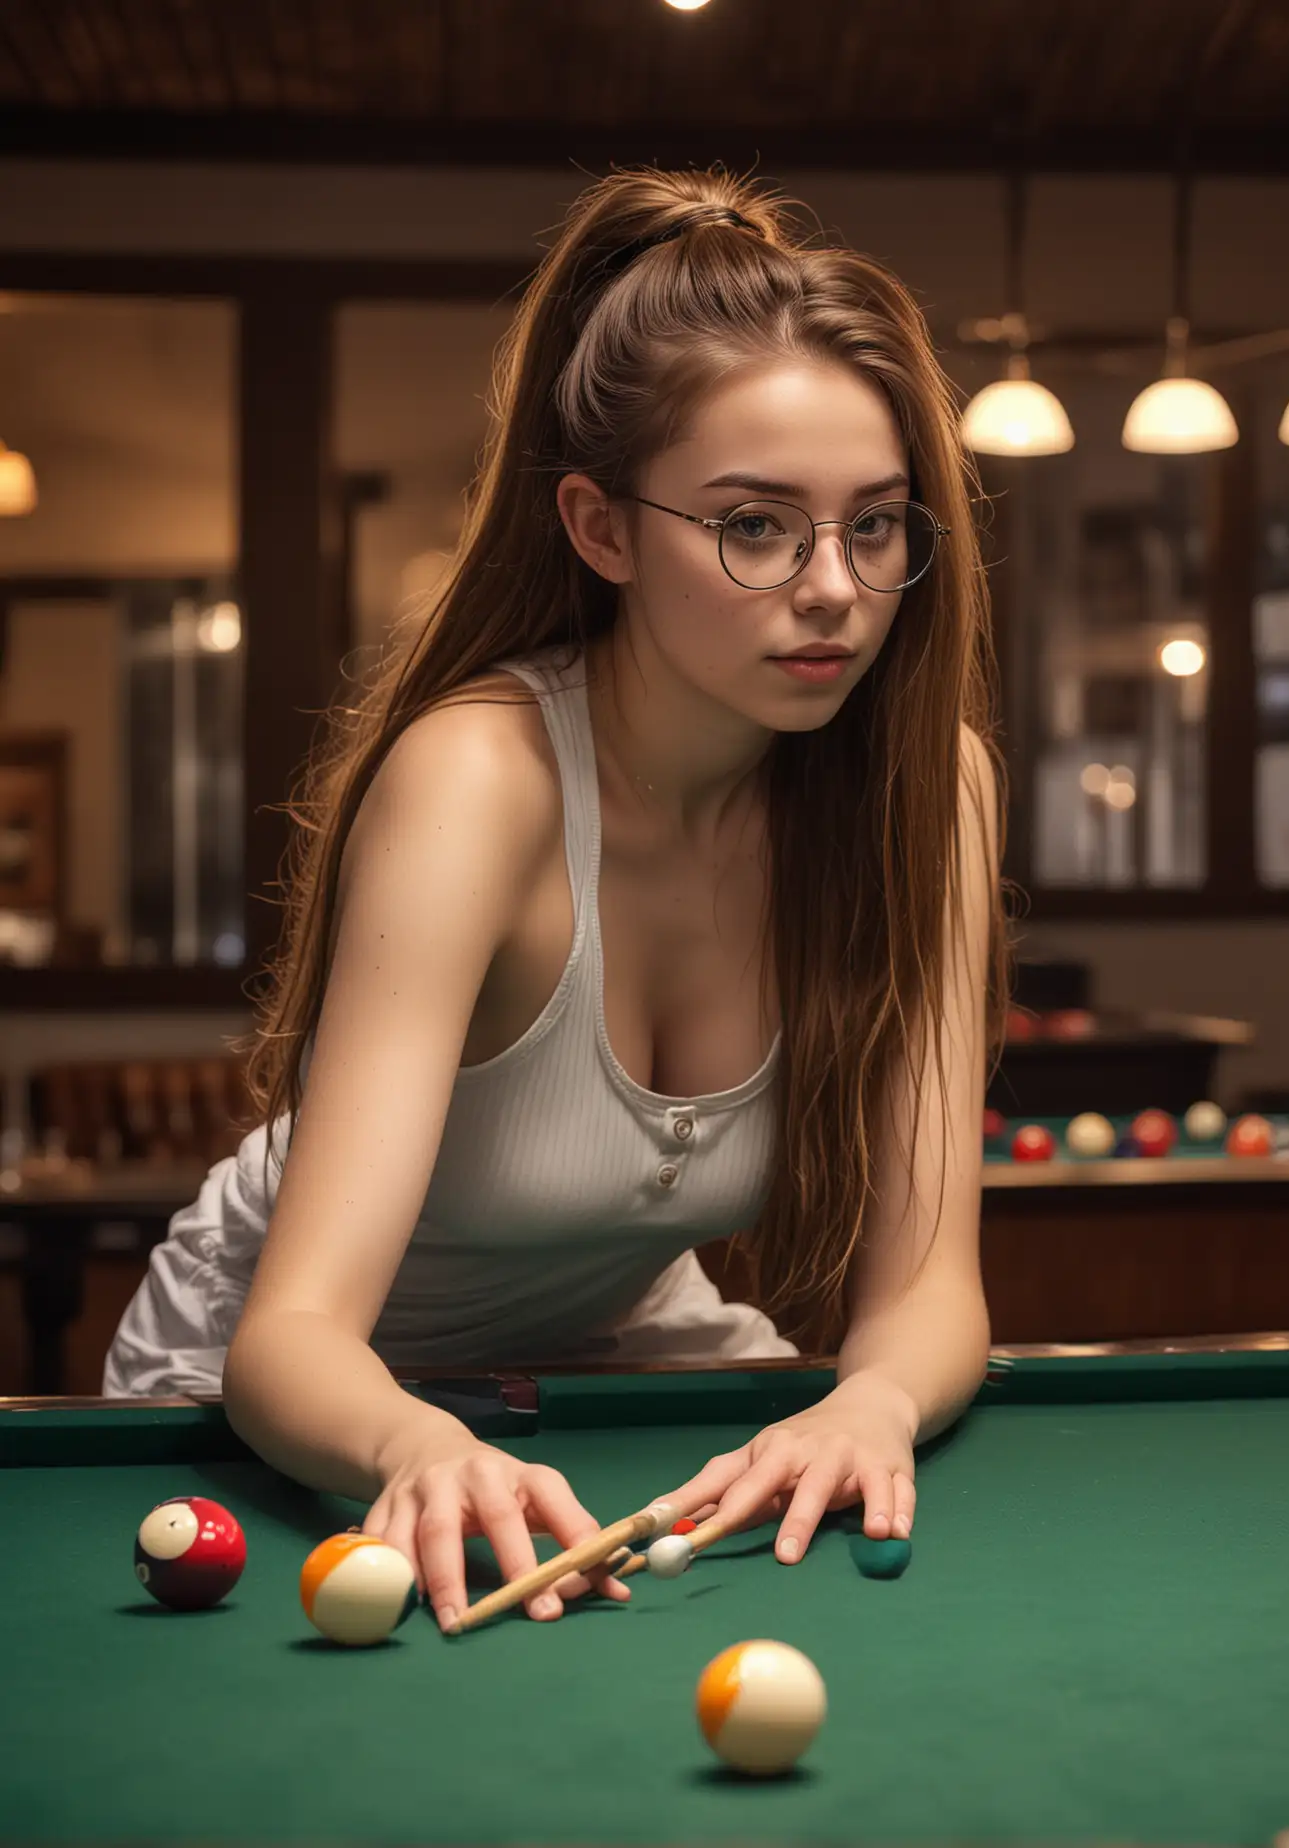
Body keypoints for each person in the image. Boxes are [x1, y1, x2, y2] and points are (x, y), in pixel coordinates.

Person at [104, 165, 1009, 1632]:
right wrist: (416, 1442)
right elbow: (297, 1332)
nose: (836, 588)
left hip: (614, 1337)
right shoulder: (478, 781)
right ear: (601, 531)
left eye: (878, 524)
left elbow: (928, 1288)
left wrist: (876, 1404)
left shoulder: (929, 792)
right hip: (295, 1390)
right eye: (758, 526)